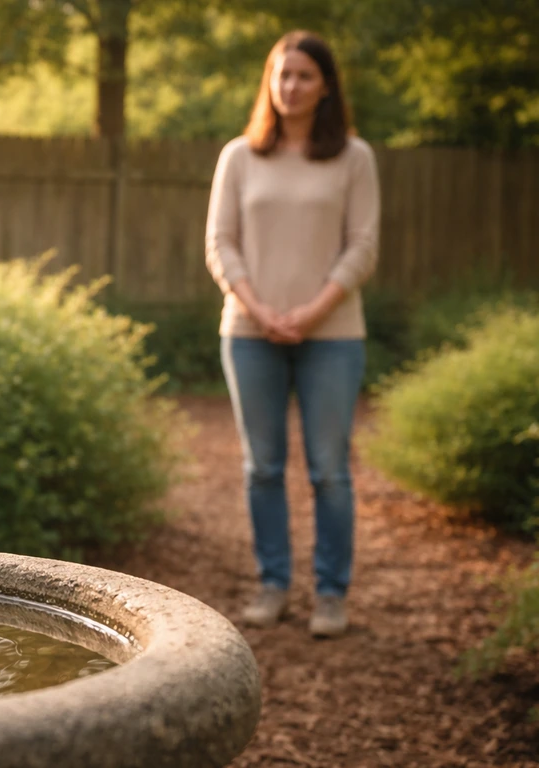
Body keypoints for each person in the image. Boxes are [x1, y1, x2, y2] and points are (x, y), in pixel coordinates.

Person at [204, 30, 380, 637]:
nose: (291, 86)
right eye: (282, 75)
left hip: (332, 335)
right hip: (248, 334)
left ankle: (331, 594)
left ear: (325, 84)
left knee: (329, 469)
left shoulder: (354, 157)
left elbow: (362, 246)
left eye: (304, 75)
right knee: (262, 468)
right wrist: (257, 307)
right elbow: (220, 245)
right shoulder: (239, 156)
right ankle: (273, 584)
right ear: (269, 82)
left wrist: (308, 312)